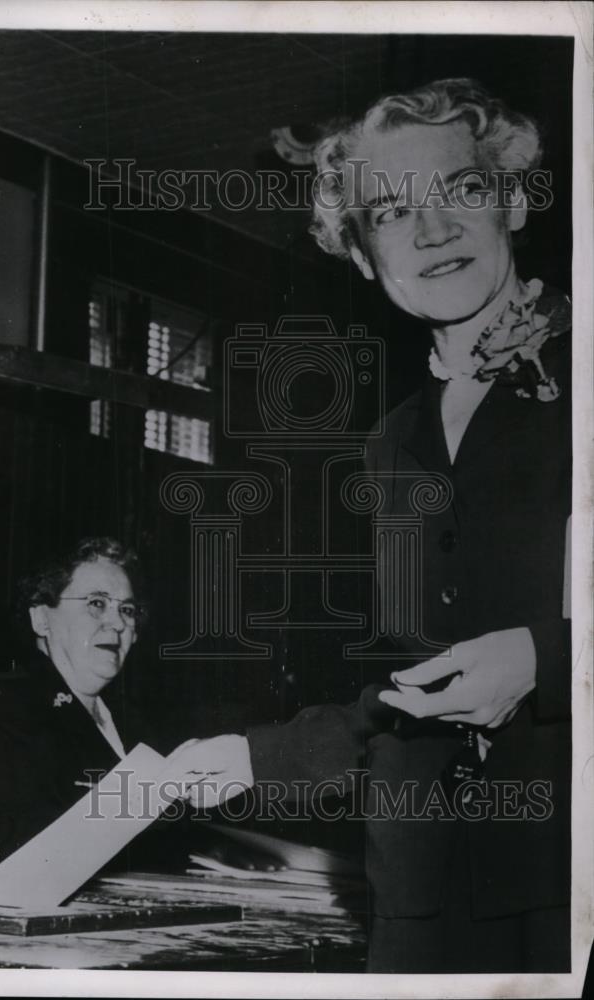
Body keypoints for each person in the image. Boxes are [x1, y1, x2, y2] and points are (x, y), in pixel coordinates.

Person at [169, 79, 571, 973]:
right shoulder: (392, 441)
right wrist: (254, 755)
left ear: (507, 201)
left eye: (458, 192)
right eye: (390, 214)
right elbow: (407, 693)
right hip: (423, 905)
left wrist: (550, 660)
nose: (430, 233)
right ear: (360, 256)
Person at [0, 536, 151, 882]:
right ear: (41, 620)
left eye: (126, 609)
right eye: (97, 603)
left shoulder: (136, 724)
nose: (119, 623)